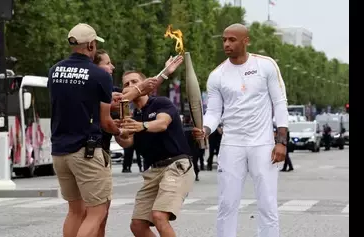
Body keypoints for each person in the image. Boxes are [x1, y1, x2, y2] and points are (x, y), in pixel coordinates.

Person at [193, 23, 289, 237]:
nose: (226, 44)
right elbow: (214, 111)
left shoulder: (266, 66)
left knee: (267, 204)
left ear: (246, 41)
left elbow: (280, 103)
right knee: (227, 205)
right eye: (224, 40)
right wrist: (206, 128)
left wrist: (281, 141)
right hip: (231, 145)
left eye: (232, 39)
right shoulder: (217, 75)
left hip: (262, 144)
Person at [48, 23, 134, 237]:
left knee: (75, 212)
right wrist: (120, 131)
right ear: (91, 45)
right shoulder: (99, 76)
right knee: (97, 212)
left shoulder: (54, 71)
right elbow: (106, 122)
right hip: (86, 150)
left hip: (59, 151)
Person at [115, 71, 195, 237]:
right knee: (137, 225)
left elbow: (162, 123)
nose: (131, 86)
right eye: (126, 84)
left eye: (134, 81)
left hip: (176, 165)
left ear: (145, 86)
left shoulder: (160, 102)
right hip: (153, 171)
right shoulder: (132, 115)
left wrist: (142, 126)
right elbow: (127, 142)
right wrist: (118, 131)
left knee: (159, 216)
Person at [182, 113, 201, 181]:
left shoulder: (182, 128)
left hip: (186, 149)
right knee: (194, 163)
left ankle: (190, 175)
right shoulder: (194, 128)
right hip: (193, 148)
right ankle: (195, 175)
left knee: (187, 163)